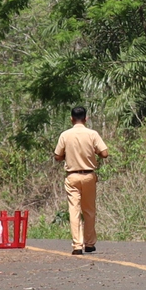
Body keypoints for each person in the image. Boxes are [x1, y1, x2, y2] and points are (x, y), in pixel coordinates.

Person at [51, 106, 109, 255]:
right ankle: (89, 243)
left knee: (74, 210)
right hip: (89, 175)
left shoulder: (65, 135)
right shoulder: (92, 134)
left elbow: (57, 156)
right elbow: (104, 153)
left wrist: (68, 156)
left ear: (71, 118)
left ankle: (77, 245)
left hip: (72, 176)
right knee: (89, 210)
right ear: (85, 118)